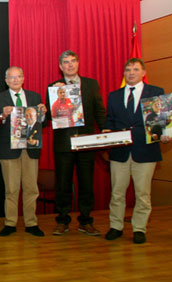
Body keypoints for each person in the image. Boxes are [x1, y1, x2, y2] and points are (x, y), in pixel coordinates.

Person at [104, 58, 170, 244]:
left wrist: (165, 133)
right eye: (128, 69)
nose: (131, 73)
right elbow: (110, 120)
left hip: (146, 151)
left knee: (143, 193)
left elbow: (164, 121)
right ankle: (115, 226)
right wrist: (106, 130)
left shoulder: (156, 93)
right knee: (117, 192)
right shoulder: (114, 96)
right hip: (120, 152)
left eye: (135, 69)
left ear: (143, 72)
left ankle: (139, 228)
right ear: (124, 73)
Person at [46, 50, 107, 236]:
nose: (70, 65)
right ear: (60, 66)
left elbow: (99, 110)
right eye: (66, 62)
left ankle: (86, 221)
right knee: (63, 184)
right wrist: (55, 95)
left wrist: (105, 130)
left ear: (78, 63)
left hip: (86, 141)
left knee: (86, 184)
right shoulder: (54, 87)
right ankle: (62, 220)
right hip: (63, 144)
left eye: (73, 61)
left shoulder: (91, 84)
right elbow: (49, 116)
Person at [0, 66, 47, 237]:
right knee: (11, 189)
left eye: (18, 77)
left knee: (31, 188)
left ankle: (31, 223)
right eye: (11, 77)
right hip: (8, 151)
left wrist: (43, 115)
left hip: (30, 149)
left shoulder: (34, 97)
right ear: (6, 80)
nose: (15, 80)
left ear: (23, 78)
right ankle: (10, 223)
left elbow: (41, 125)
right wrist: (2, 115)